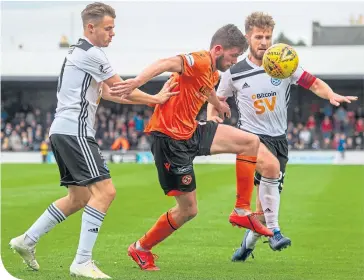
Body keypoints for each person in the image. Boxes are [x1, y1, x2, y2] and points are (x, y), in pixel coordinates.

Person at [9, 2, 177, 279]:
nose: (113, 34)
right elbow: (121, 87)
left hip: (62, 131)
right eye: (108, 28)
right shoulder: (93, 54)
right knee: (106, 193)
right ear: (91, 27)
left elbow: (110, 93)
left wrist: (153, 101)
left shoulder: (79, 52)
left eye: (113, 28)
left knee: (79, 197)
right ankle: (82, 261)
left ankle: (27, 240)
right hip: (75, 132)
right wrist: (156, 98)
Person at [109, 23, 272, 271]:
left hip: (191, 130)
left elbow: (206, 89)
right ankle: (140, 248)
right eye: (233, 55)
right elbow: (164, 63)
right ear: (218, 49)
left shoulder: (213, 72)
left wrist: (219, 104)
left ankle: (241, 209)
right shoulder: (198, 60)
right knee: (188, 210)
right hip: (169, 139)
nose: (235, 60)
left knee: (250, 142)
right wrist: (136, 82)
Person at [207, 12, 358, 261]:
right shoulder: (234, 72)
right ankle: (275, 233)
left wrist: (330, 94)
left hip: (279, 139)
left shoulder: (283, 66)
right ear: (248, 37)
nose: (264, 42)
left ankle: (248, 244)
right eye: (258, 37)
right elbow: (217, 98)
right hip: (251, 139)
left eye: (268, 36)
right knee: (272, 171)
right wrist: (213, 116)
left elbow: (314, 83)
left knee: (263, 210)